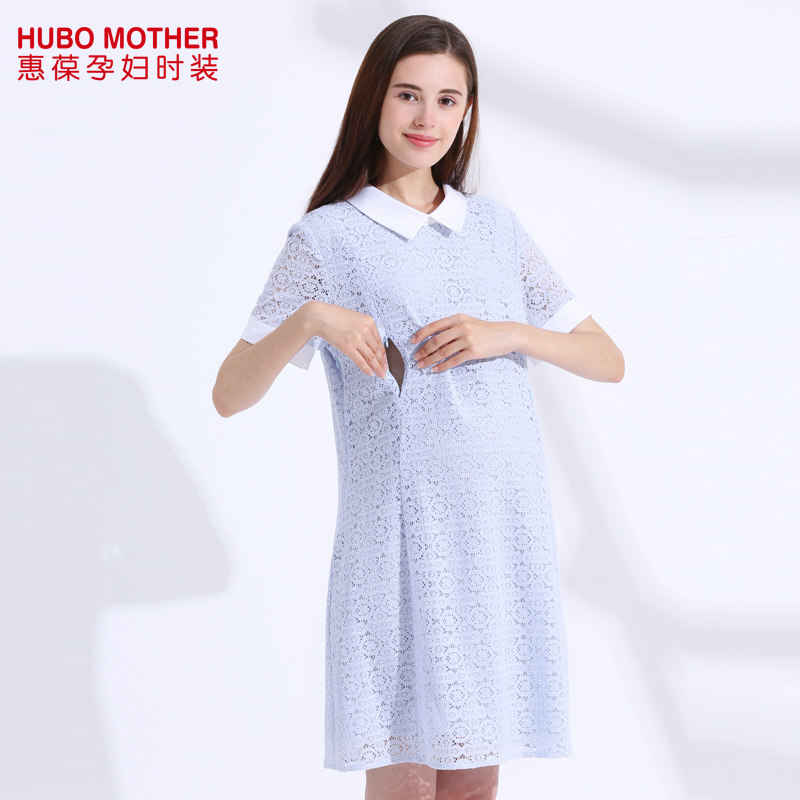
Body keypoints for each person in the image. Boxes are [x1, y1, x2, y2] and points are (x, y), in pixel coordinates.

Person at [213, 14, 624, 800]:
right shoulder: (327, 239)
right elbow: (230, 393)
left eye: (447, 99)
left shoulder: (494, 229)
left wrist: (508, 332)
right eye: (408, 94)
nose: (426, 118)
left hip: (497, 533)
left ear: (467, 111)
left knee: (473, 784)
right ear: (375, 97)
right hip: (399, 541)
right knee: (405, 777)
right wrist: (310, 320)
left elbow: (607, 358)